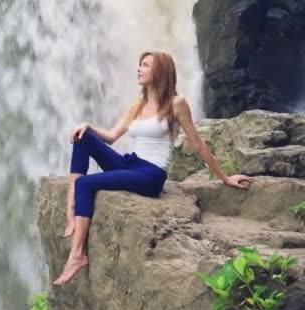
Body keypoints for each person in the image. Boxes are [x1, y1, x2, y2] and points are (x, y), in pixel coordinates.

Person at [53, 52, 254, 286]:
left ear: (160, 71)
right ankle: (72, 209)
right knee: (83, 136)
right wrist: (88, 126)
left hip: (150, 174)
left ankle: (78, 255)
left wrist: (224, 177)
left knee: (85, 183)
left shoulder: (176, 104)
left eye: (145, 65)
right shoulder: (137, 105)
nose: (139, 69)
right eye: (140, 64)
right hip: (130, 163)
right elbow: (110, 137)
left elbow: (197, 143)